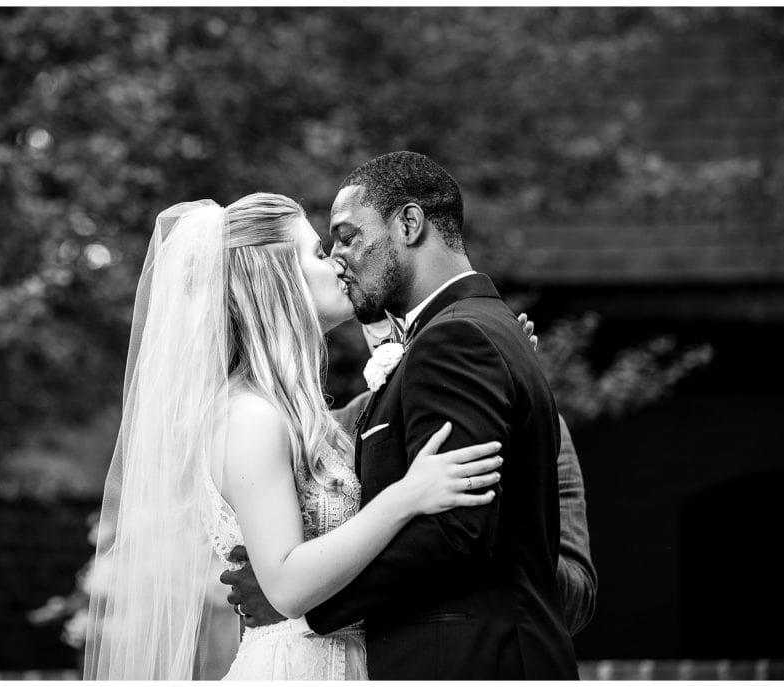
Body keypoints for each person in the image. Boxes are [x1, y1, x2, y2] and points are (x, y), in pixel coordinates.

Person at [82, 194, 506, 680]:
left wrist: (493, 373)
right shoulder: (248, 418)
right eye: (319, 253)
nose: (340, 262)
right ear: (276, 279)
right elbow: (284, 584)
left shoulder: (299, 416)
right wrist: (406, 498)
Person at [221, 152, 581, 679]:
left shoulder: (457, 339)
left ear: (409, 224)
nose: (340, 258)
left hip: (470, 660)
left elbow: (457, 531)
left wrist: (303, 607)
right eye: (325, 249)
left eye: (345, 238)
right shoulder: (452, 342)